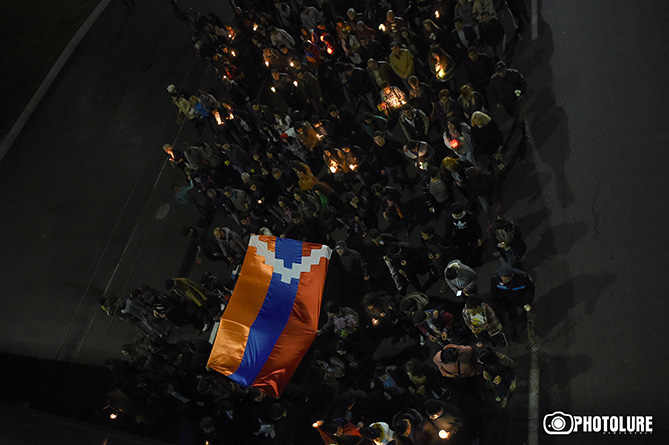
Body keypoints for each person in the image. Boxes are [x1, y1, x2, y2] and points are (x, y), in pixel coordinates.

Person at [490, 264, 535, 338]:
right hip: (508, 301)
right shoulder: (496, 278)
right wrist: (495, 302)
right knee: (512, 317)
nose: (503, 280)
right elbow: (493, 291)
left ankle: (526, 318)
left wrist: (528, 302)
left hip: (521, 298)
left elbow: (530, 289)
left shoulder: (523, 277)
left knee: (526, 311)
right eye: (502, 277)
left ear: (512, 275)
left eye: (506, 278)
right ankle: (515, 331)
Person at [489, 61, 528, 138]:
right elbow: (492, 91)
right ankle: (517, 119)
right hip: (505, 102)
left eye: (502, 71)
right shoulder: (494, 80)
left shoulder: (514, 74)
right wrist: (496, 102)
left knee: (519, 117)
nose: (501, 73)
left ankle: (524, 132)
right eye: (499, 72)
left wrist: (522, 93)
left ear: (505, 68)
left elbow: (523, 82)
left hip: (515, 100)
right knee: (511, 113)